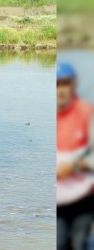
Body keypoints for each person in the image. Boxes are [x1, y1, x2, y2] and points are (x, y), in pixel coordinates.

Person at [57, 62, 94, 250]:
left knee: (79, 244)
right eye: (56, 85)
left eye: (65, 84)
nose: (60, 90)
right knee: (60, 242)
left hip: (83, 197)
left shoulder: (87, 112)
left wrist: (74, 167)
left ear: (74, 85)